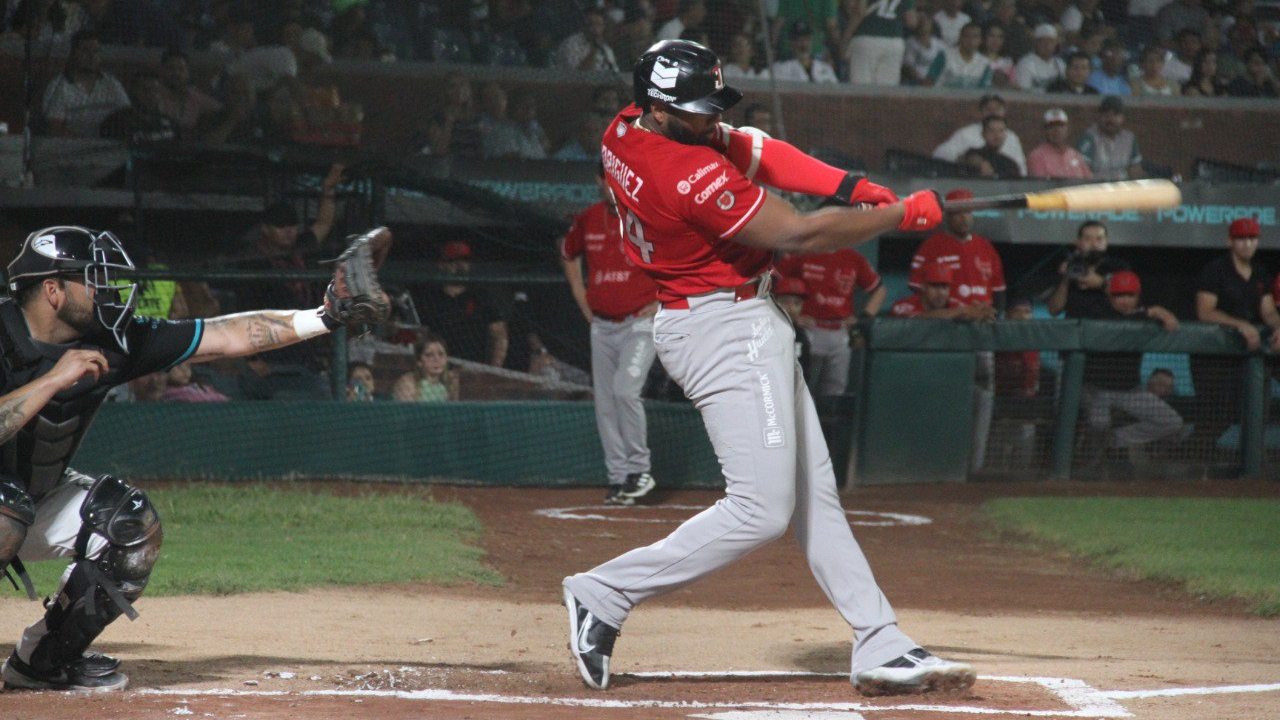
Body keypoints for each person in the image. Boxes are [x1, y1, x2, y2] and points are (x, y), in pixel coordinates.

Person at [564, 38, 973, 698]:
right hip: (721, 327)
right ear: (659, 110)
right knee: (761, 509)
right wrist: (900, 216)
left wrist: (854, 187)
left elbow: (753, 146)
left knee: (814, 495)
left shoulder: (625, 128)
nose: (710, 121)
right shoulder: (684, 174)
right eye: (696, 111)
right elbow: (800, 235)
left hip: (733, 318)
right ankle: (603, 592)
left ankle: (879, 640)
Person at [0, 224, 381, 691]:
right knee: (7, 506)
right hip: (6, 508)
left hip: (31, 499)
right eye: (93, 280)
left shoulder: (109, 340)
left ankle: (40, 663)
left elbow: (226, 335)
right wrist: (53, 380)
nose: (107, 292)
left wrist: (323, 316)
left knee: (128, 524)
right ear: (53, 290)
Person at [560, 163, 660, 507]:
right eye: (609, 180)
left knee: (625, 389)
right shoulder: (589, 218)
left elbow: (681, 260)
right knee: (605, 403)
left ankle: (640, 471)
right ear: (600, 181)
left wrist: (663, 299)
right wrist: (580, 295)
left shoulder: (650, 216)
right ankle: (618, 479)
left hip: (640, 323)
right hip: (601, 324)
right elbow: (568, 253)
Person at [1079, 271, 1188, 470]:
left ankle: (1113, 440)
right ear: (1109, 296)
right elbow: (1117, 317)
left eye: (1130, 295)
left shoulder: (1142, 317)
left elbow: (1163, 317)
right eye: (1119, 295)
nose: (1124, 300)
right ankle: (1085, 470)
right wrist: (1151, 311)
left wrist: (1159, 311)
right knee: (1099, 423)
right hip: (1096, 389)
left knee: (1172, 422)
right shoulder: (1097, 313)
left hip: (1130, 391)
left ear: (1138, 296)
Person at [1192, 218, 1280, 454]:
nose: (1246, 244)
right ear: (1229, 241)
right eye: (1240, 239)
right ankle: (1189, 459)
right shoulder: (1215, 270)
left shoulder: (1260, 272)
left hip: (1246, 355)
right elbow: (1205, 311)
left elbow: (1268, 311)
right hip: (1214, 355)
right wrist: (1241, 324)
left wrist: (1279, 326)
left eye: (1251, 239)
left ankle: (1248, 469)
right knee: (1214, 415)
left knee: (1253, 411)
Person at [775, 238, 886, 396]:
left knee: (836, 389)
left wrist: (864, 318)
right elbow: (771, 282)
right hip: (809, 328)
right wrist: (790, 317)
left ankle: (828, 421)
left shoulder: (853, 258)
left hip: (839, 330)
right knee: (804, 386)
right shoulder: (802, 253)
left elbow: (879, 290)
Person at [908, 188, 1006, 311]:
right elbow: (917, 288)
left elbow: (998, 290)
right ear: (947, 216)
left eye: (967, 212)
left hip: (982, 320)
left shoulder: (986, 247)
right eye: (958, 213)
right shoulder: (931, 246)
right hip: (947, 321)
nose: (964, 217)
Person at [416, 241, 508, 367]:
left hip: (472, 369)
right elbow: (421, 335)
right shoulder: (431, 297)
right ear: (442, 264)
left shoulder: (480, 296)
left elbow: (499, 335)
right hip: (437, 368)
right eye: (453, 260)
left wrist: (495, 368)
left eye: (464, 260)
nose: (460, 265)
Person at [40, 30, 132, 138]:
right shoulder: (57, 86)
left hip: (109, 148)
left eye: (96, 51)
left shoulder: (111, 83)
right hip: (71, 149)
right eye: (86, 51)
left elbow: (127, 116)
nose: (92, 56)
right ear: (73, 53)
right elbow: (54, 128)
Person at [1046, 221, 1130, 318]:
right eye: (1088, 239)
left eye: (1099, 239)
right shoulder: (1071, 267)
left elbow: (1128, 306)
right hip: (1076, 329)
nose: (1094, 244)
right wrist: (1065, 280)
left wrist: (1102, 283)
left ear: (1106, 242)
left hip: (1109, 327)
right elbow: (1053, 310)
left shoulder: (1119, 267)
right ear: (1078, 242)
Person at [931, 93, 1026, 175]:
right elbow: (939, 154)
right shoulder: (967, 133)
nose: (993, 112)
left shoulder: (1012, 137)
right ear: (981, 112)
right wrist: (968, 160)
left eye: (997, 108)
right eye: (988, 109)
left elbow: (1022, 170)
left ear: (1004, 111)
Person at [844, 0, 919, 85]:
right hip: (894, 41)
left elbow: (860, 12)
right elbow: (911, 21)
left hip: (866, 36)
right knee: (886, 90)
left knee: (861, 88)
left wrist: (845, 39)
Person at [155, 48, 223, 139]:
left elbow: (221, 110)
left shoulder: (196, 97)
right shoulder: (154, 95)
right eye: (171, 68)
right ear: (161, 71)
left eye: (181, 69)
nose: (176, 73)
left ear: (187, 73)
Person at [1076, 96, 1143, 181]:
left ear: (1123, 117)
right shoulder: (1089, 138)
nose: (1111, 119)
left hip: (1122, 189)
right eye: (1106, 115)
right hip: (1097, 189)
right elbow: (1081, 172)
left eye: (1115, 115)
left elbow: (1135, 170)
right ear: (1099, 116)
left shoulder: (1129, 138)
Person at [1027, 108, 1092, 179]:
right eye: (1051, 126)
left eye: (1060, 126)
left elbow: (1088, 182)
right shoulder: (1037, 156)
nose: (1056, 130)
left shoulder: (1076, 156)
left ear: (1067, 129)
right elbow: (1039, 185)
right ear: (1045, 130)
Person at [391, 335, 459, 402]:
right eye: (429, 355)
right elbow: (406, 411)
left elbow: (452, 411)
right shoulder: (408, 383)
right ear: (419, 361)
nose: (437, 359)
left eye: (441, 354)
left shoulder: (449, 383)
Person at [926, 21, 993, 88]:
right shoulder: (945, 55)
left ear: (981, 40)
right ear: (960, 38)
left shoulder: (985, 63)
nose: (971, 40)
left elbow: (984, 91)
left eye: (975, 37)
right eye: (967, 36)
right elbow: (929, 81)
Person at [772, 20, 840, 83]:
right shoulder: (779, 69)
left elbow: (836, 92)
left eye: (807, 39)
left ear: (812, 41)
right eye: (799, 40)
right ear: (791, 43)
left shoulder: (825, 68)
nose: (803, 44)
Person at [555, 6, 620, 71]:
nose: (595, 28)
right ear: (583, 25)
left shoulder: (606, 49)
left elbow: (615, 74)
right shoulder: (570, 44)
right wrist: (594, 50)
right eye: (591, 24)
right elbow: (575, 76)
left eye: (598, 24)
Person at [771, 275, 812, 370]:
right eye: (785, 302)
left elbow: (804, 375)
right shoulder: (762, 330)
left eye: (797, 303)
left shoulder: (801, 335)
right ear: (774, 302)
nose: (791, 308)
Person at [1013, 23, 1065, 92]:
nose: (1047, 45)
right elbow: (1024, 92)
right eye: (1043, 41)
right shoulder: (1025, 63)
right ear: (1035, 43)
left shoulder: (1060, 64)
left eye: (1051, 41)